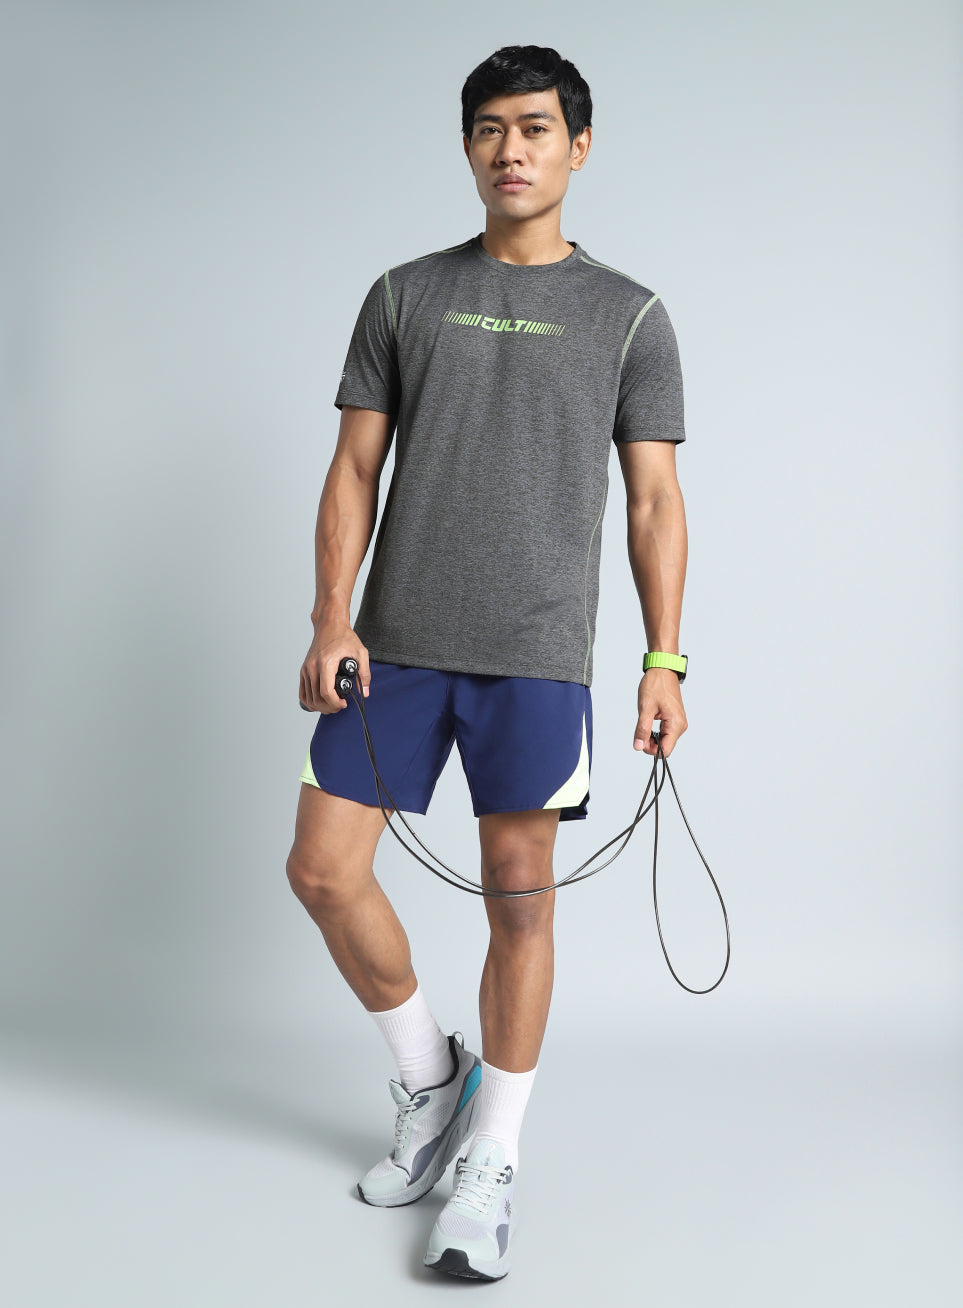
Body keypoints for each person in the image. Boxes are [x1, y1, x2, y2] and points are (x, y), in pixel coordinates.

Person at [286, 44, 689, 1282]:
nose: (511, 150)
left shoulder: (630, 315)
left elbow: (654, 502)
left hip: (536, 658)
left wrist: (664, 660)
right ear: (467, 147)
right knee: (322, 870)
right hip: (395, 650)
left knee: (521, 896)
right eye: (489, 129)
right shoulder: (404, 294)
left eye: (535, 127)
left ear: (578, 146)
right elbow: (355, 468)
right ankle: (431, 1081)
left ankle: (492, 1158)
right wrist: (330, 617)